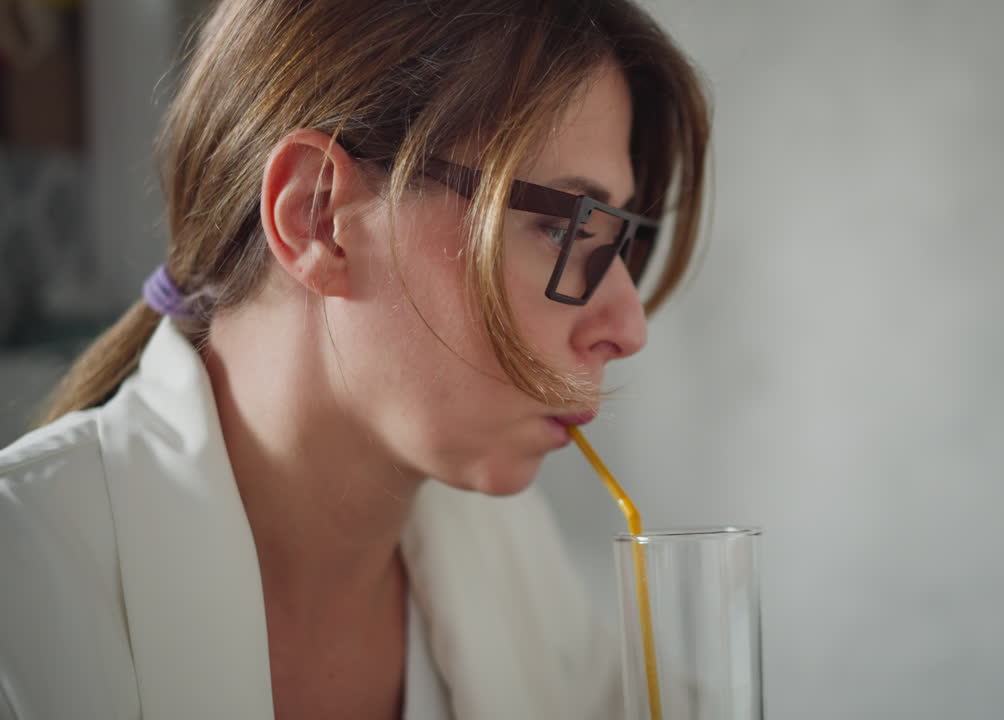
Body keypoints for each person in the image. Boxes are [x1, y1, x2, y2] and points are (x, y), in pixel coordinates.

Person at [0, 0, 709, 717]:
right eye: (565, 229)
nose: (627, 325)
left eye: (620, 242)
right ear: (317, 218)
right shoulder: (23, 599)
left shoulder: (510, 557)